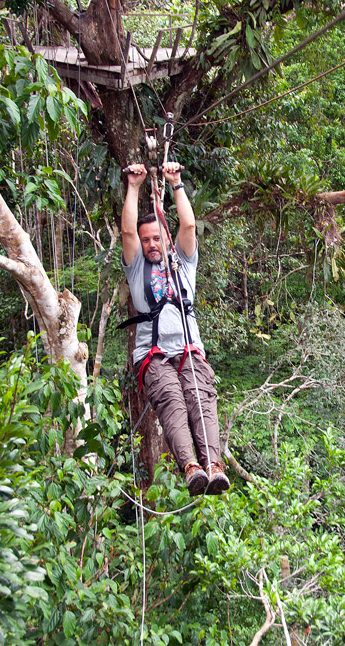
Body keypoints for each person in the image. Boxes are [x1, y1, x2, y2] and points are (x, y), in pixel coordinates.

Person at [120, 161, 229, 496]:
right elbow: (126, 233)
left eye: (157, 238)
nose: (152, 244)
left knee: (201, 400)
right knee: (173, 402)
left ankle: (213, 465)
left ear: (167, 237)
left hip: (188, 348)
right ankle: (191, 468)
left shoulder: (183, 260)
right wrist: (135, 187)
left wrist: (176, 183)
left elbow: (190, 224)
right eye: (146, 240)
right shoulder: (137, 268)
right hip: (153, 355)